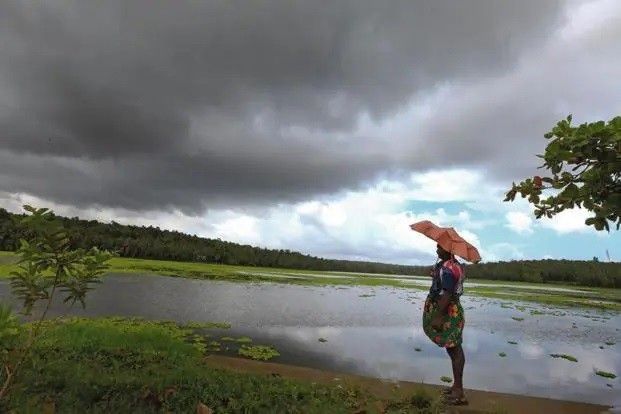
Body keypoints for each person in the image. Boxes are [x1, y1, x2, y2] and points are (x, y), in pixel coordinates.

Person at [422, 244, 467, 405]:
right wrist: (436, 276)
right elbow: (445, 287)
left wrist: (439, 316)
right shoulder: (448, 266)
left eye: (439, 247)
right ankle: (456, 386)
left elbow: (447, 294)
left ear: (448, 250)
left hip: (448, 311)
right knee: (453, 348)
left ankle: (459, 392)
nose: (436, 250)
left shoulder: (449, 268)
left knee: (455, 349)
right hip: (450, 309)